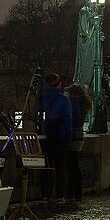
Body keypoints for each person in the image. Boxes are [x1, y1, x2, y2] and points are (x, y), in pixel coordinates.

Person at [39, 73, 72, 202]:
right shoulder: (63, 99)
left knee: (46, 166)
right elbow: (68, 120)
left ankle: (45, 194)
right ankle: (60, 194)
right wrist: (67, 136)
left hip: (45, 136)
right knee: (60, 167)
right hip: (60, 137)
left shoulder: (42, 98)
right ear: (59, 84)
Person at [65, 83, 92, 204]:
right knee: (75, 164)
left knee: (71, 165)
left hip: (73, 136)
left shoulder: (74, 102)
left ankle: (73, 192)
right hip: (79, 135)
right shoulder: (84, 103)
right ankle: (77, 192)